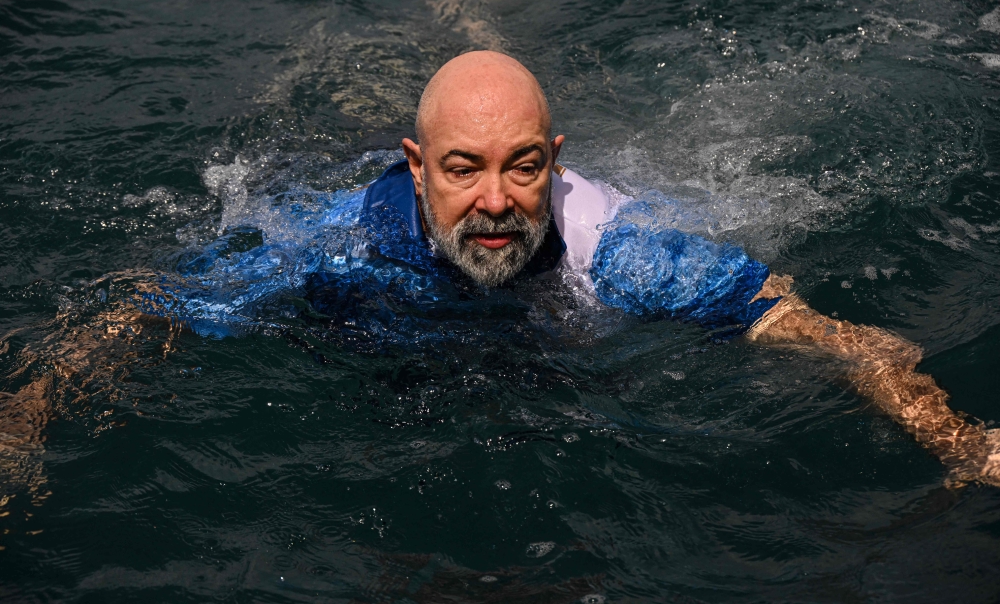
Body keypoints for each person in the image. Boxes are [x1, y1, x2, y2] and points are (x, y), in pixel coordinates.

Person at [158, 51, 999, 487]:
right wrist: (23, 420)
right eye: (461, 170)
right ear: (415, 168)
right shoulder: (341, 236)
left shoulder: (621, 252)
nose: (495, 202)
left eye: (522, 166)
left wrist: (961, 443)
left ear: (555, 162)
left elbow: (819, 330)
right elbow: (152, 302)